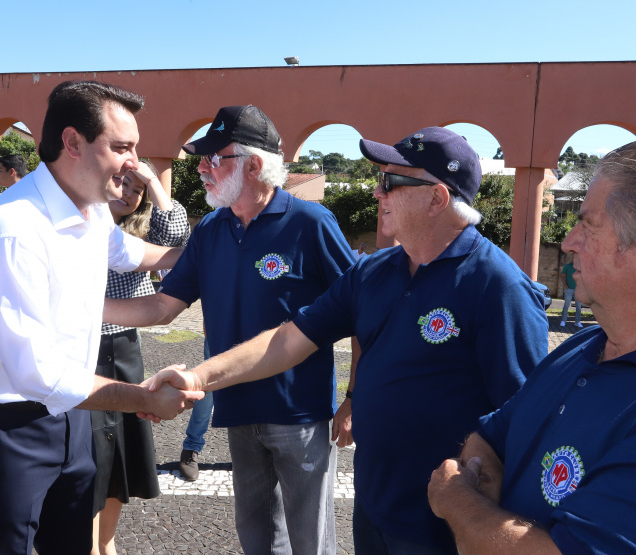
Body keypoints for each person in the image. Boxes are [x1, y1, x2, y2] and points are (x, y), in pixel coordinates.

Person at [141, 126, 549, 554]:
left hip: (444, 523)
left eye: (390, 182)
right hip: (374, 506)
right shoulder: (374, 272)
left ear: (437, 198)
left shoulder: (498, 285)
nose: (377, 193)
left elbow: (525, 419)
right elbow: (286, 341)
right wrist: (199, 377)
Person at [0, 80, 203, 555]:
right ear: (73, 142)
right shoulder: (15, 229)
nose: (135, 163)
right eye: (122, 146)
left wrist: (194, 256)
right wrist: (141, 397)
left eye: (136, 148)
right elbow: (36, 373)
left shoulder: (91, 207)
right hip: (4, 431)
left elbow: (126, 251)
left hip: (72, 419)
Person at [427, 135, 636, 554]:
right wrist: (489, 511)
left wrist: (458, 502)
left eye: (588, 225)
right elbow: (491, 435)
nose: (569, 241)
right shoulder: (584, 346)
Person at [104, 105, 357, 555]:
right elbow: (163, 306)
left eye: (213, 158)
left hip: (300, 414)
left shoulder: (311, 224)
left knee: (311, 541)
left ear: (254, 165)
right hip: (237, 410)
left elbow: (363, 312)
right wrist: (81, 309)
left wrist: (356, 397)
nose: (201, 167)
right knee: (256, 538)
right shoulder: (211, 230)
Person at [91, 159, 191, 555]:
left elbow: (178, 236)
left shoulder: (139, 234)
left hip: (125, 346)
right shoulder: (80, 223)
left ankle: (107, 543)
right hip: (85, 349)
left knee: (119, 457)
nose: (129, 193)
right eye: (122, 183)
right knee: (90, 455)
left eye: (137, 190)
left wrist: (153, 179)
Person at [179, 337, 213, 482]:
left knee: (249, 385)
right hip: (222, 324)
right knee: (209, 384)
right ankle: (191, 446)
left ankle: (249, 451)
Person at [559, 256, 583, 327]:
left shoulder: (580, 267)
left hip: (578, 290)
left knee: (579, 306)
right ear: (572, 259)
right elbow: (563, 276)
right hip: (569, 289)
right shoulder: (567, 266)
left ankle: (577, 322)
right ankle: (563, 321)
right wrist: (566, 286)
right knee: (566, 305)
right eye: (573, 258)